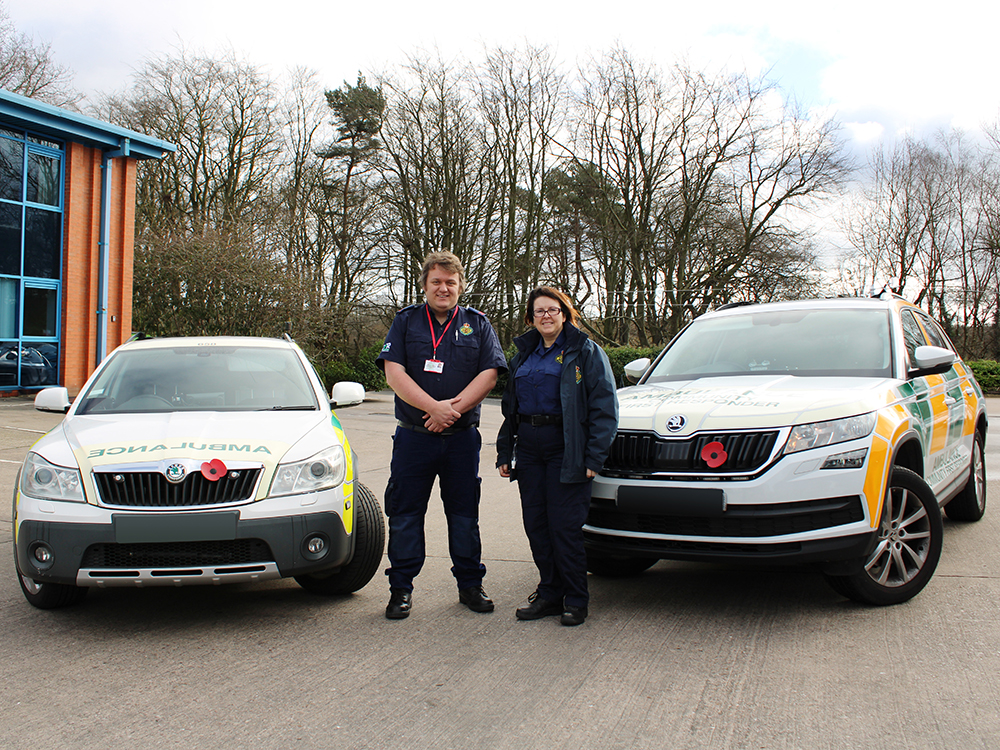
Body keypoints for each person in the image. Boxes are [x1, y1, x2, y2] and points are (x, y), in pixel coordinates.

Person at [376, 251, 507, 620]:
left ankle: (470, 585)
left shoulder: (478, 324)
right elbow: (393, 372)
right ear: (425, 286)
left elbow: (490, 375)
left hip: (461, 440)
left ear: (460, 286)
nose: (443, 288)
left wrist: (451, 412)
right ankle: (400, 588)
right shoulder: (405, 323)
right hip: (414, 439)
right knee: (404, 514)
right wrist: (433, 408)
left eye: (450, 282)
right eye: (436, 282)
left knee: (465, 515)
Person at [496, 287, 618, 626]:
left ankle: (576, 598)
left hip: (568, 449)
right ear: (531, 318)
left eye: (552, 310)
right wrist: (505, 450)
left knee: (564, 527)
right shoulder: (523, 355)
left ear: (565, 314)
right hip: (530, 450)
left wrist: (594, 458)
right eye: (539, 312)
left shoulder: (585, 352)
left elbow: (604, 408)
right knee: (536, 525)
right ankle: (550, 593)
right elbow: (511, 409)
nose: (546, 316)